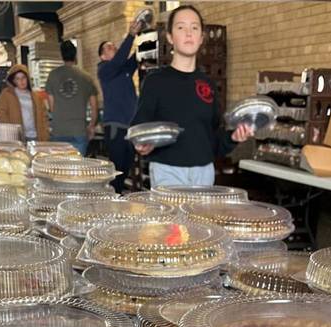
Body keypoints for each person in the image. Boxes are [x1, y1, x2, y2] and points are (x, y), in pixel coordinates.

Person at [131, 5, 253, 187]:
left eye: (194, 28)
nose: (189, 33)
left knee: (200, 217)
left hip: (203, 172)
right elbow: (139, 127)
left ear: (201, 37)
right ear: (170, 37)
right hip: (167, 170)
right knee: (174, 217)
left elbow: (212, 138)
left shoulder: (208, 85)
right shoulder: (155, 81)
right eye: (181, 27)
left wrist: (233, 138)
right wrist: (141, 143)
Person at [97, 16, 145, 192]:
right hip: (116, 126)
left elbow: (132, 59)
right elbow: (119, 60)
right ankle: (113, 197)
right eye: (110, 47)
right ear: (103, 55)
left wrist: (142, 37)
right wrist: (130, 35)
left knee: (127, 165)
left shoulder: (123, 70)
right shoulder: (104, 70)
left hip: (130, 127)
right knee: (117, 167)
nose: (114, 48)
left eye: (114, 46)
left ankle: (116, 195)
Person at [45, 41, 99, 155]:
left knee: (58, 169)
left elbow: (51, 106)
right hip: (79, 130)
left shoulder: (53, 75)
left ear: (62, 55)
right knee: (77, 169)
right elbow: (94, 107)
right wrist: (92, 126)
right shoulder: (86, 77)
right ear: (75, 55)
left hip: (59, 130)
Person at [0, 64, 50, 142]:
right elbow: (2, 114)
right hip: (16, 138)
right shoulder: (7, 94)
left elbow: (44, 117)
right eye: (18, 78)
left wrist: (45, 134)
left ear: (27, 78)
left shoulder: (36, 97)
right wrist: (10, 134)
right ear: (13, 80)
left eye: (23, 77)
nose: (21, 81)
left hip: (36, 137)